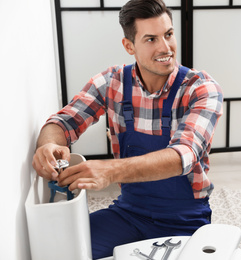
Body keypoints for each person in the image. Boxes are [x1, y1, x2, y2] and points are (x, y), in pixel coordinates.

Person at [31, 0, 223, 258]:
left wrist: (109, 172)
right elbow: (63, 122)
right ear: (129, 46)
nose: (166, 48)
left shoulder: (201, 89)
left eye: (168, 34)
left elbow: (183, 155)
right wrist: (48, 145)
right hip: (128, 213)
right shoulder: (111, 83)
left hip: (185, 220)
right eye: (151, 39)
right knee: (65, 250)